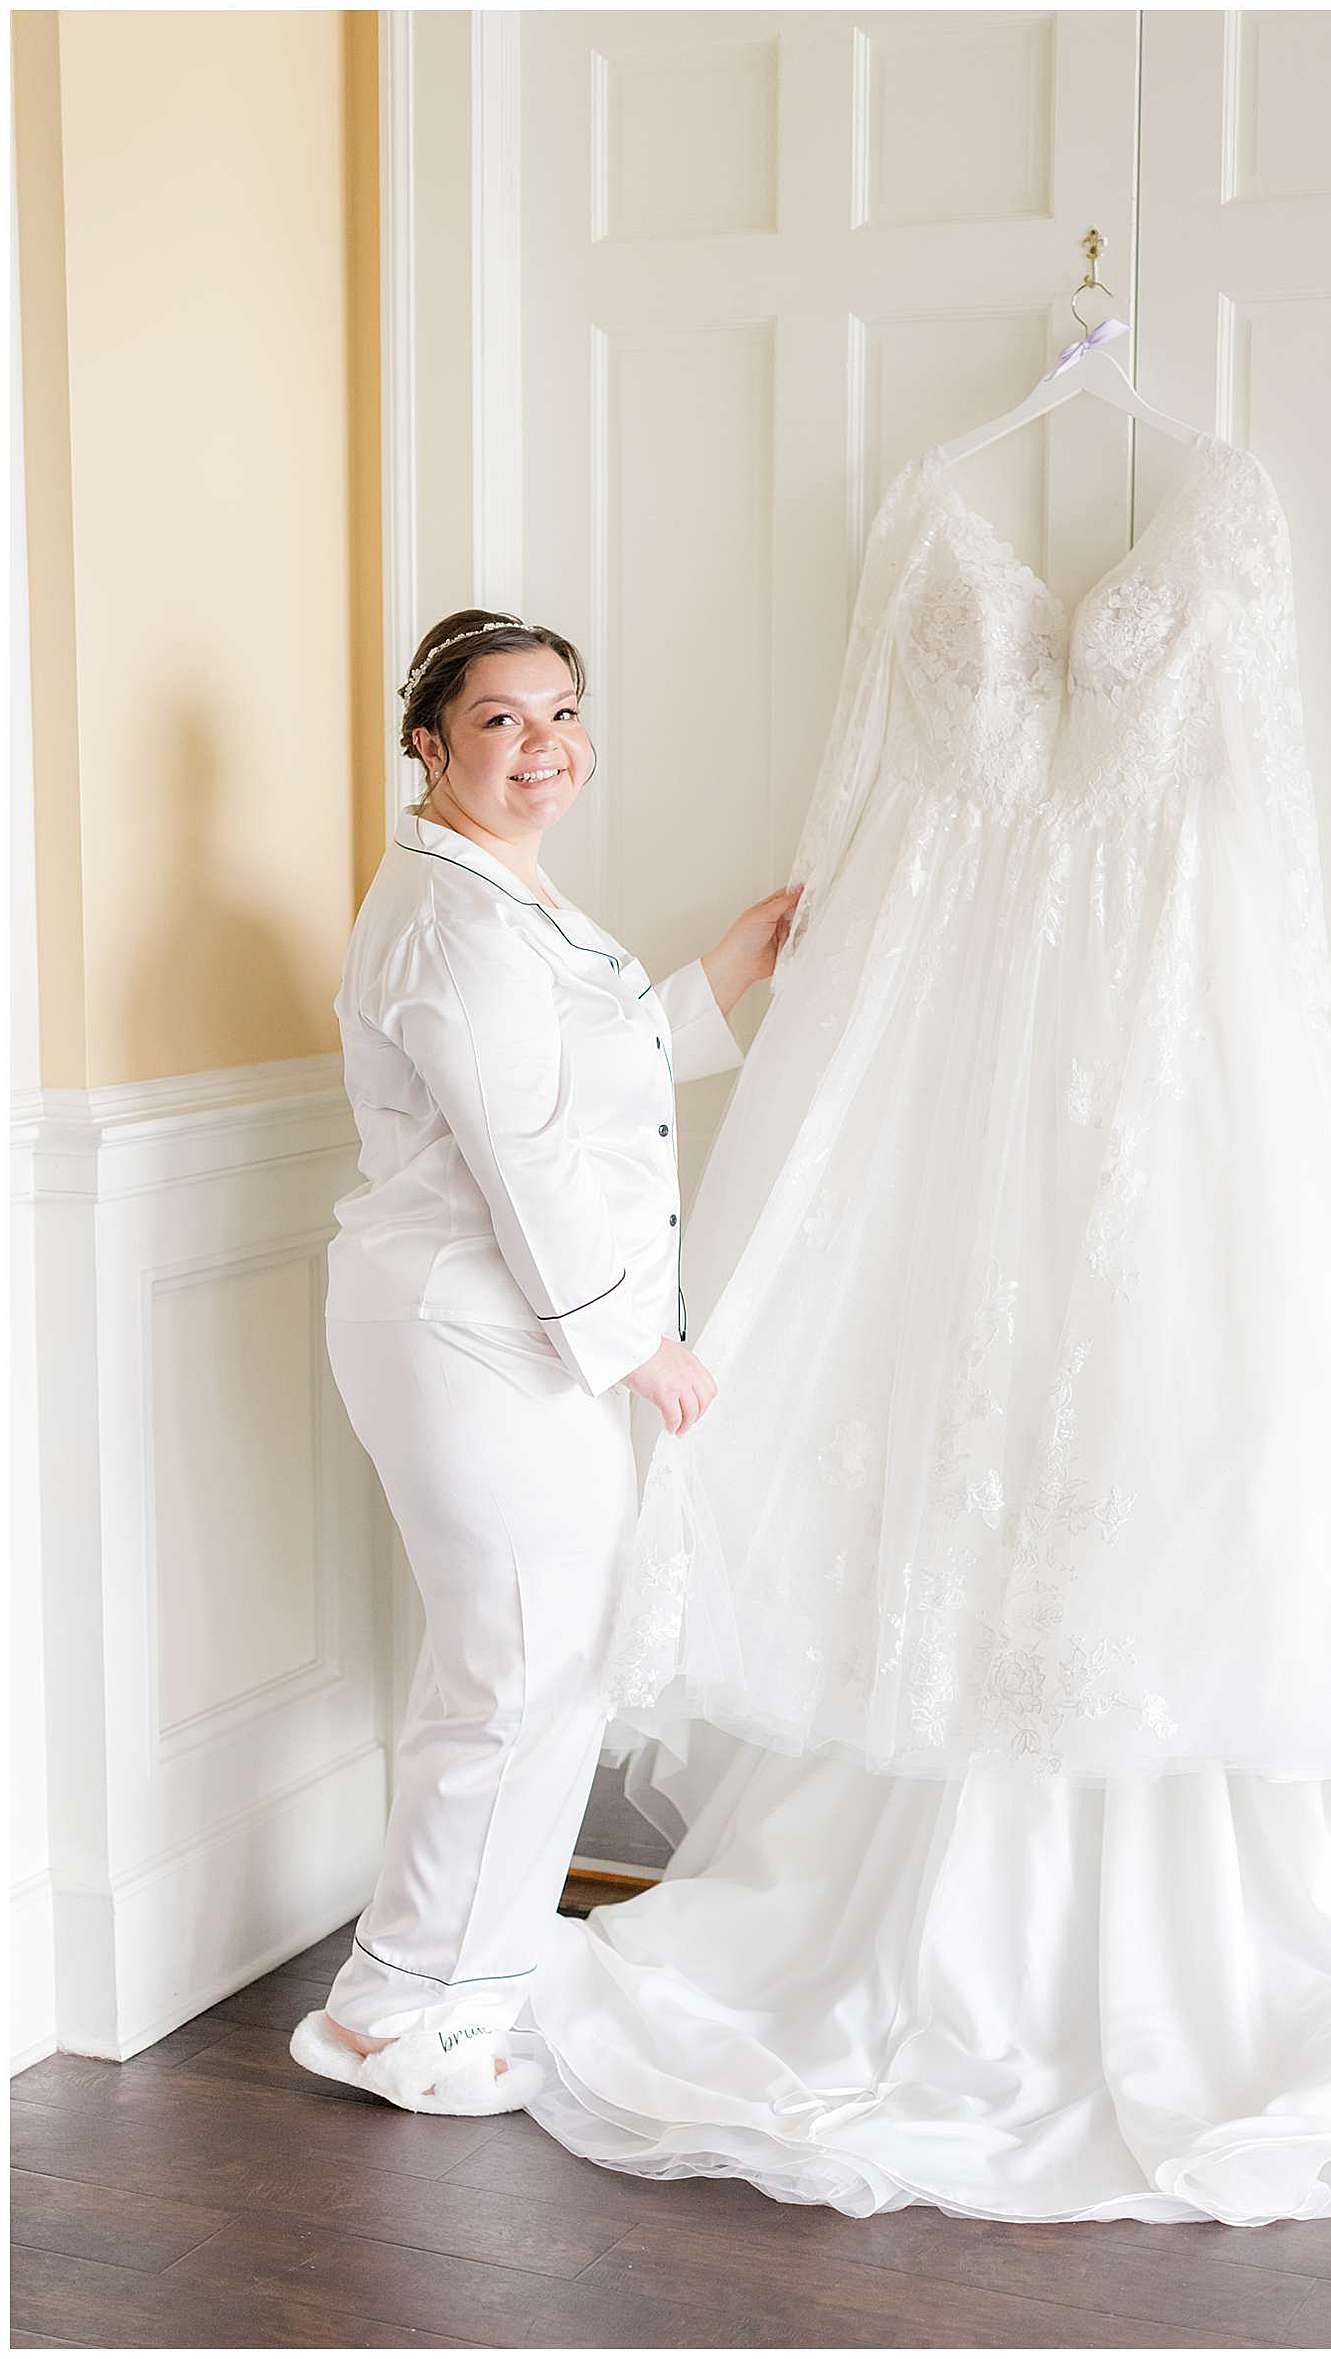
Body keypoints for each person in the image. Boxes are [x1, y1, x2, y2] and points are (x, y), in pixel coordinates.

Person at [288, 609, 798, 2113]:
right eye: (502, 721)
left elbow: (575, 1079)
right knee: (519, 1673)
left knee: (513, 1669)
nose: (544, 746)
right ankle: (426, 2012)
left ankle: (411, 1993)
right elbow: (525, 1155)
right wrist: (640, 1347)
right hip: (473, 1329)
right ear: (431, 745)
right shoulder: (452, 914)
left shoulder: (497, 890)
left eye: (562, 713)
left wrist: (723, 974)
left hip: (492, 1330)